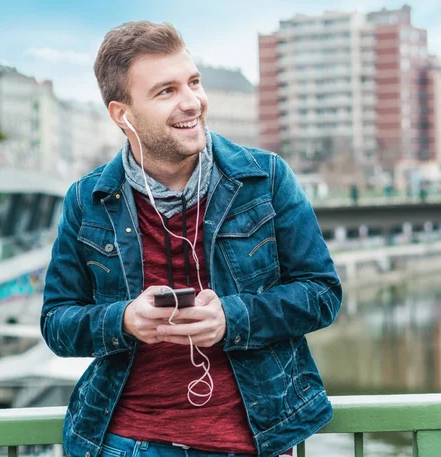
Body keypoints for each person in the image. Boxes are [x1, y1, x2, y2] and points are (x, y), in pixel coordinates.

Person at [40, 21, 342, 457]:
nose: (192, 102)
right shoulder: (87, 200)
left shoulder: (267, 177)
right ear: (122, 114)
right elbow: (56, 323)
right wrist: (124, 320)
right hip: (127, 444)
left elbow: (323, 293)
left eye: (194, 83)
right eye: (166, 91)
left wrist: (232, 319)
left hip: (253, 442)